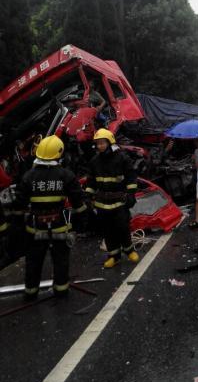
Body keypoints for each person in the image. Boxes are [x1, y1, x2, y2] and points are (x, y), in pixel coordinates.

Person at [13, 135, 87, 300]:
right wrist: (82, 223)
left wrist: (18, 227)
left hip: (35, 228)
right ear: (59, 152)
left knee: (34, 261)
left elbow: (19, 204)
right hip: (59, 226)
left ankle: (31, 293)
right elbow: (78, 201)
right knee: (61, 260)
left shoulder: (29, 176)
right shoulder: (65, 175)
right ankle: (61, 292)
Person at [85, 128, 139, 268]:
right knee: (108, 231)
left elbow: (131, 177)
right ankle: (113, 256)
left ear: (109, 142)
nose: (100, 146)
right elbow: (91, 180)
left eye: (102, 143)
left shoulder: (122, 158)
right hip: (102, 203)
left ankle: (129, 250)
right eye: (97, 143)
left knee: (122, 227)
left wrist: (131, 194)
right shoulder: (94, 161)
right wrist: (88, 195)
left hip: (119, 201)